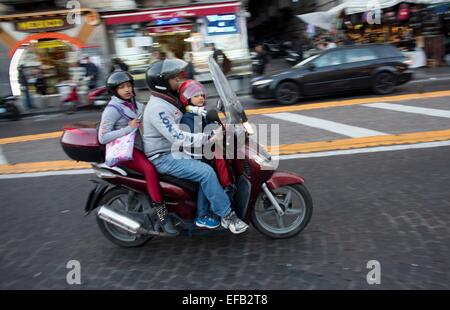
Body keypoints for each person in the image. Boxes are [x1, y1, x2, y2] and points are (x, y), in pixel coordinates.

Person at [142, 58, 248, 234]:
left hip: (176, 151)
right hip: (164, 156)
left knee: (209, 163)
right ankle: (227, 216)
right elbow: (177, 136)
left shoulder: (168, 99)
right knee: (205, 172)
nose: (178, 81)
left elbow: (191, 108)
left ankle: (208, 209)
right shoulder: (158, 108)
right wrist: (208, 138)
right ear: (162, 83)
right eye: (174, 78)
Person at [98, 70, 178, 236]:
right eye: (121, 87)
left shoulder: (135, 104)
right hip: (128, 151)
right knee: (150, 170)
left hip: (142, 147)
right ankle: (162, 215)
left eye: (128, 85)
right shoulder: (112, 109)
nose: (127, 89)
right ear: (114, 91)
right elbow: (103, 137)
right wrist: (129, 128)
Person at [178, 80, 236, 227]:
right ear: (187, 99)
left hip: (204, 150)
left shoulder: (201, 113)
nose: (200, 98)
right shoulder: (188, 117)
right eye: (195, 95)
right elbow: (194, 138)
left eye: (201, 95)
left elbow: (209, 128)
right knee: (208, 172)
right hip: (195, 155)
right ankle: (202, 213)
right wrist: (212, 135)